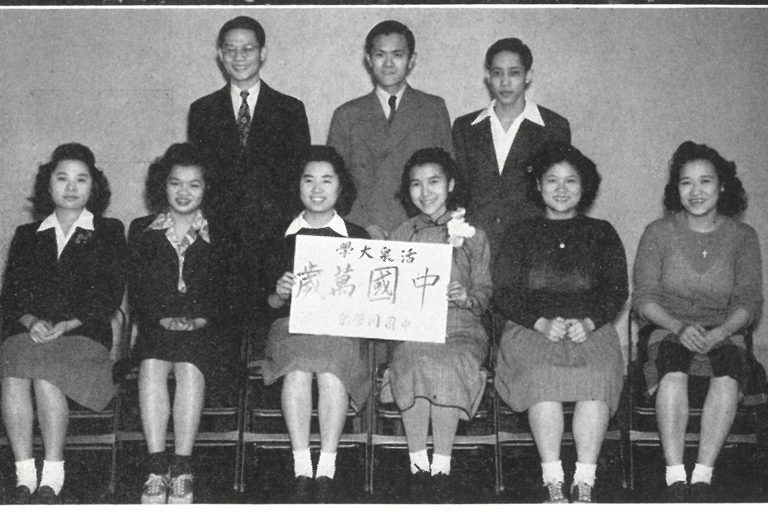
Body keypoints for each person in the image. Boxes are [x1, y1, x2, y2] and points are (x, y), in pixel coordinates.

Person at [493, 144, 628, 503]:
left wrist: (589, 321)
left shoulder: (602, 231)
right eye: (552, 180)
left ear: (585, 187)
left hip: (590, 328)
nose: (561, 188)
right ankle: (552, 478)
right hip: (530, 328)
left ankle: (585, 479)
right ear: (538, 185)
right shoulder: (520, 233)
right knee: (542, 376)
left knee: (597, 375)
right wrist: (538, 323)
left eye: (571, 180)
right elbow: (503, 292)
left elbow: (616, 291)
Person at [632, 141, 763, 502]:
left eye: (705, 181)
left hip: (726, 331)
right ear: (676, 188)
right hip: (668, 328)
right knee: (672, 373)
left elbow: (749, 301)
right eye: (686, 182)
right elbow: (644, 298)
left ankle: (703, 476)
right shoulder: (658, 232)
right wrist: (677, 327)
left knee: (727, 375)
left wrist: (720, 332)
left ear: (723, 187)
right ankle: (675, 476)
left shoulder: (743, 237)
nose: (696, 192)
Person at [0, 143, 127, 504]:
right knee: (12, 367)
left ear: (93, 187)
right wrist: (30, 320)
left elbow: (109, 294)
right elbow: (10, 295)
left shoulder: (108, 230)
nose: (71, 187)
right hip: (31, 331)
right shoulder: (27, 234)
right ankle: (24, 473)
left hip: (84, 334)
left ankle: (53, 472)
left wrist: (66, 324)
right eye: (62, 178)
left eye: (81, 179)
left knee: (45, 373)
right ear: (48, 185)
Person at [188, 15, 311, 349]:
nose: (239, 57)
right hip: (221, 240)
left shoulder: (290, 109)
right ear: (220, 55)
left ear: (263, 53)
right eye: (230, 50)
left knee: (268, 339)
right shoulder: (201, 110)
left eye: (248, 49)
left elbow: (299, 180)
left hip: (273, 241)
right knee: (222, 339)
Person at [261, 146, 371, 503]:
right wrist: (278, 293)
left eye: (327, 180)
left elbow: (369, 300)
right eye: (309, 180)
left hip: (338, 329)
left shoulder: (358, 236)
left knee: (330, 370)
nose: (317, 188)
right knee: (297, 370)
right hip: (291, 326)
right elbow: (263, 306)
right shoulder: (278, 235)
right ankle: (300, 462)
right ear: (297, 186)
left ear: (341, 187)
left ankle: (327, 463)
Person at [381, 147, 491, 503]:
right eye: (416, 184)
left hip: (461, 330)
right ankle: (417, 463)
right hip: (414, 330)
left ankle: (442, 465)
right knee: (414, 359)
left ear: (451, 184)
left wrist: (466, 296)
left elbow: (485, 291)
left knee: (446, 363)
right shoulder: (399, 235)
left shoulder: (473, 235)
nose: (425, 192)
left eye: (434, 182)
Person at [128, 143, 229, 505]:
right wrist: (160, 317)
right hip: (157, 327)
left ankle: (182, 468)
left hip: (206, 332)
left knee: (188, 365)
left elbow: (230, 292)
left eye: (194, 185)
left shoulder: (222, 232)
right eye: (175, 183)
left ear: (207, 189)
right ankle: (156, 468)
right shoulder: (141, 229)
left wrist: (201, 318)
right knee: (152, 364)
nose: (183, 192)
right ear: (162, 185)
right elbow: (138, 290)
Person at [328, 20, 453, 240]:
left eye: (397, 54)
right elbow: (334, 181)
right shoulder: (346, 114)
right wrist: (364, 224)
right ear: (368, 60)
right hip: (360, 230)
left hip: (422, 230)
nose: (388, 64)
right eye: (379, 55)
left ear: (411, 60)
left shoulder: (433, 108)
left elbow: (450, 176)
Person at [452, 37, 571, 255]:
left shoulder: (554, 127)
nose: (505, 82)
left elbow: (558, 193)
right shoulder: (465, 127)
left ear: (528, 76)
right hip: (477, 247)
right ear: (488, 77)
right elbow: (460, 192)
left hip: (533, 247)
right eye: (497, 73)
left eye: (514, 73)